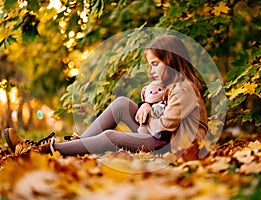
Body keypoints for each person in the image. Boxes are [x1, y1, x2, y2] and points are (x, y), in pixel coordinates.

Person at [4, 34, 208, 157]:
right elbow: (154, 105)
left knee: (111, 137)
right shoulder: (171, 86)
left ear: (172, 62)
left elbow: (163, 128)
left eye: (155, 64)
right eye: (149, 65)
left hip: (172, 148)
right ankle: (76, 145)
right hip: (161, 139)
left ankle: (44, 151)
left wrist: (147, 116)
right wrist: (145, 103)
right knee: (121, 104)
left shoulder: (184, 89)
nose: (151, 71)